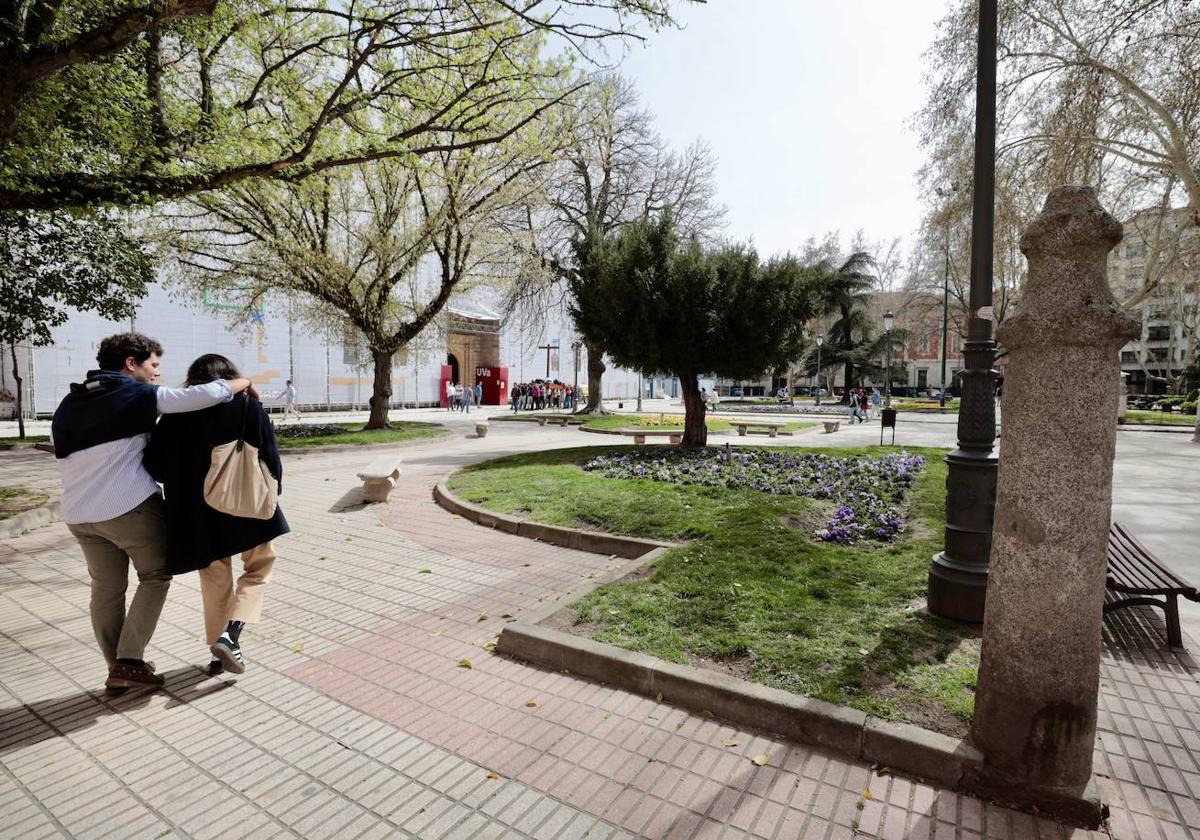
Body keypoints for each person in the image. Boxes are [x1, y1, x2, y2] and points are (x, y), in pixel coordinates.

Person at [51, 332, 256, 691]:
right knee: (156, 575)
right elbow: (203, 394)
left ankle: (119, 667)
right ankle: (129, 662)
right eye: (154, 365)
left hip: (78, 514)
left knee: (106, 589)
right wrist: (243, 381)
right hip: (127, 507)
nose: (158, 373)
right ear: (131, 364)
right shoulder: (132, 393)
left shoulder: (71, 401)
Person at [144, 354, 288, 676]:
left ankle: (217, 651)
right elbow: (270, 457)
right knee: (259, 567)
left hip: (194, 513)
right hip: (246, 503)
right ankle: (231, 634)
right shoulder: (248, 407)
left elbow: (154, 466)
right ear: (230, 376)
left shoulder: (175, 416)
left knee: (214, 581)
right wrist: (273, 495)